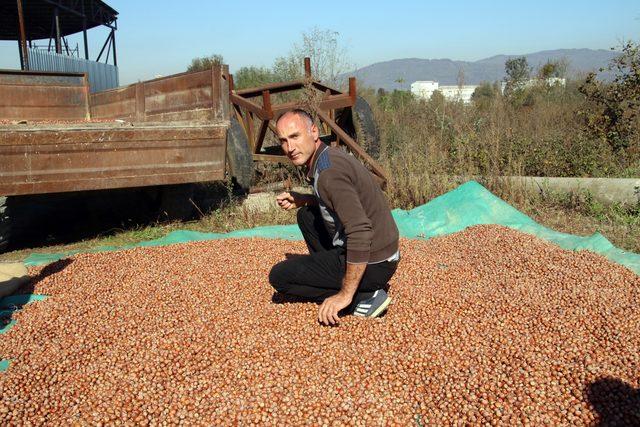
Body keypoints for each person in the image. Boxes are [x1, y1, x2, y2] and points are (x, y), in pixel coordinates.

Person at [268, 109, 400, 326]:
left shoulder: (329, 173)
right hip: (382, 253)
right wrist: (304, 199)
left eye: (295, 137)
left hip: (374, 262)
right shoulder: (327, 156)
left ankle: (364, 296)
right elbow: (339, 202)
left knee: (279, 276)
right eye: (283, 141)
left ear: (313, 131)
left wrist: (345, 295)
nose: (290, 148)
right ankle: (344, 278)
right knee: (306, 216)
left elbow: (360, 231)